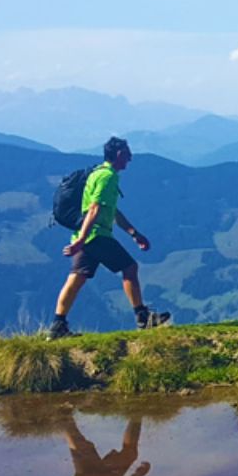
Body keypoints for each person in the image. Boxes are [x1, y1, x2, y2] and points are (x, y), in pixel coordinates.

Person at [48, 137, 168, 338]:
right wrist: (81, 241)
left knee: (76, 278)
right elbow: (94, 210)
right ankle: (143, 317)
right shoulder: (108, 177)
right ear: (119, 154)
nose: (130, 158)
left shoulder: (97, 173)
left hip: (86, 235)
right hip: (96, 235)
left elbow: (111, 211)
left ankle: (57, 326)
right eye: (128, 154)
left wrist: (134, 234)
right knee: (130, 267)